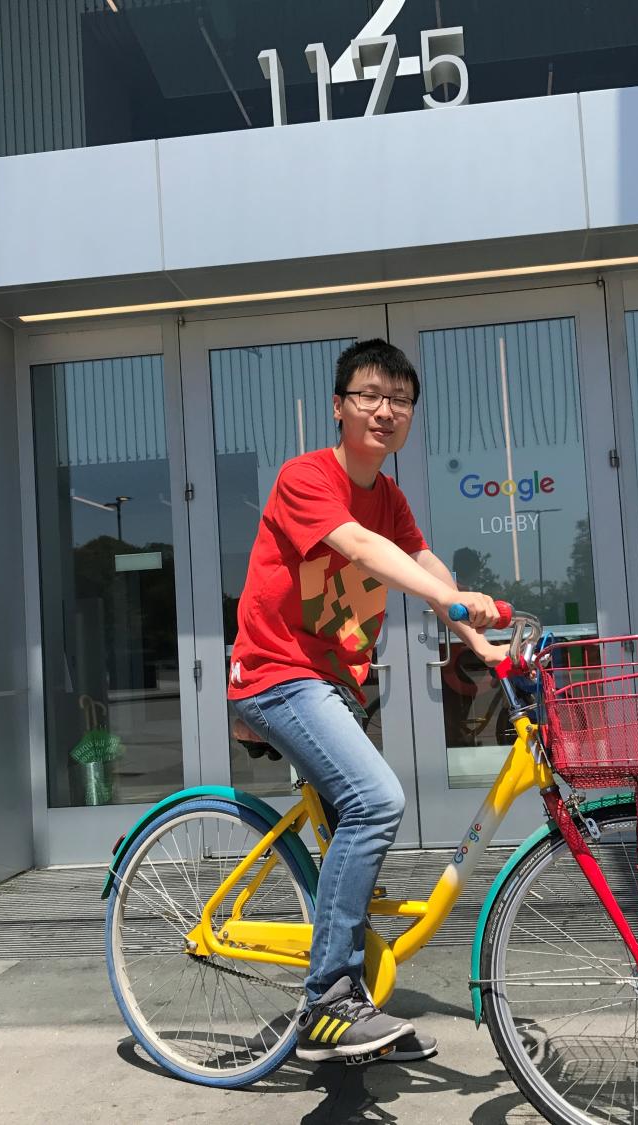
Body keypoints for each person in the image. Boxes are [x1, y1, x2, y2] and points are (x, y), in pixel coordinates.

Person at [228, 338, 506, 1064]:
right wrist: (448, 597)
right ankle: (329, 999)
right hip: (278, 673)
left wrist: (470, 628)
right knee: (377, 802)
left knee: (355, 845)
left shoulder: (389, 495)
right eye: (370, 395)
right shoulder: (306, 476)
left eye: (401, 400)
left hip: (334, 684)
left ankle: (342, 1004)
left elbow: (417, 555)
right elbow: (357, 546)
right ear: (339, 406)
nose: (386, 410)